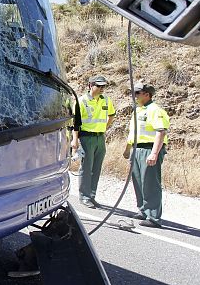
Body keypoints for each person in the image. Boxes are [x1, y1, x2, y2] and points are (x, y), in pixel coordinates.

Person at [123, 82, 169, 228]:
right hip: (136, 149)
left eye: (137, 93)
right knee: (138, 180)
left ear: (146, 94)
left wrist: (154, 153)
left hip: (149, 149)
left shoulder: (155, 110)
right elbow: (133, 132)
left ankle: (153, 217)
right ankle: (143, 209)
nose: (134, 96)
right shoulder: (138, 110)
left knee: (150, 183)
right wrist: (127, 148)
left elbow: (161, 131)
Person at [71, 75, 115, 208]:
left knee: (96, 168)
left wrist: (103, 128)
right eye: (99, 86)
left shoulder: (106, 100)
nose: (102, 89)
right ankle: (84, 197)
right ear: (90, 85)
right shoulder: (81, 101)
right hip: (86, 138)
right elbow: (76, 123)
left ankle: (92, 195)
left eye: (104, 86)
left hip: (100, 138)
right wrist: (74, 141)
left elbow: (111, 116)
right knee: (86, 168)